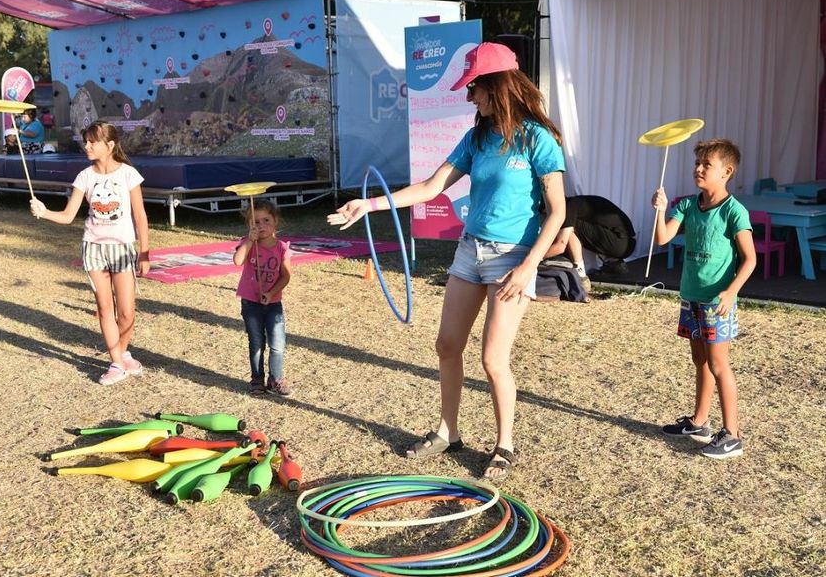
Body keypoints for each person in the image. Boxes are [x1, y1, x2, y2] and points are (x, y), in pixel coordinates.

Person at [327, 42, 566, 480]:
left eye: (474, 87)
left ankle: (504, 446)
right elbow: (432, 186)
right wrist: (370, 205)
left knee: (493, 360)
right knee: (446, 346)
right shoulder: (477, 137)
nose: (468, 96)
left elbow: (558, 212)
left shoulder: (537, 138)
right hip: (470, 251)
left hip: (512, 257)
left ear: (498, 86)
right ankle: (447, 432)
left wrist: (529, 264)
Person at [651, 138, 756, 459]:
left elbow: (750, 259)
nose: (697, 169)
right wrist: (661, 210)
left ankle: (733, 434)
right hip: (692, 298)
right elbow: (663, 237)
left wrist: (731, 290)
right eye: (696, 163)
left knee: (718, 363)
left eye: (705, 165)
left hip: (716, 301)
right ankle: (699, 421)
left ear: (726, 171)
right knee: (700, 362)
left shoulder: (734, 211)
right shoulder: (686, 205)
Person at [29, 121, 150, 386]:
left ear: (109, 145)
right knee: (105, 309)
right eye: (85, 141)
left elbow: (140, 216)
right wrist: (43, 211)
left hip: (122, 249)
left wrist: (145, 253)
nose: (86, 146)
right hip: (93, 249)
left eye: (92, 142)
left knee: (127, 312)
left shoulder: (129, 174)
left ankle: (123, 351)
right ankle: (117, 362)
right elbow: (68, 216)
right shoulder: (85, 177)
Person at [233, 199, 293, 397]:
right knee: (257, 342)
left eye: (266, 220)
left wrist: (271, 292)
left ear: (275, 220)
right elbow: (237, 261)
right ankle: (256, 379)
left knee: (277, 344)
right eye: (255, 222)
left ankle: (275, 378)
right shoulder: (248, 243)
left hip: (273, 303)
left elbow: (286, 276)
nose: (261, 226)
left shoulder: (282, 248)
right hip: (251, 303)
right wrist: (250, 240)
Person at [544, 195, 637, 289]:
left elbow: (561, 245)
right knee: (573, 226)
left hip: (620, 244)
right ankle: (614, 263)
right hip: (627, 244)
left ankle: (581, 277)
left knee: (569, 227)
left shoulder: (569, 207)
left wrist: (537, 257)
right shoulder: (578, 202)